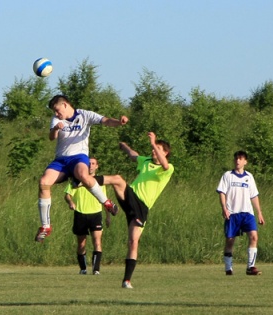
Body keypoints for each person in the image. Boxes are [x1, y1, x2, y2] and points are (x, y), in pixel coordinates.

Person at [35, 94, 128, 243]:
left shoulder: (85, 115)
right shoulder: (57, 119)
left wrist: (119, 122)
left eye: (58, 110)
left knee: (83, 174)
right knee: (43, 182)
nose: (56, 114)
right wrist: (55, 129)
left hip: (78, 157)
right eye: (54, 112)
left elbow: (106, 121)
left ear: (65, 104)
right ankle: (46, 226)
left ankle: (107, 203)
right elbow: (52, 137)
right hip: (61, 160)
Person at [102, 132, 174, 289]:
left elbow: (165, 165)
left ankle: (126, 280)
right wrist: (125, 147)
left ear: (165, 152)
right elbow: (134, 155)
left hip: (141, 207)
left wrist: (153, 143)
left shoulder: (167, 169)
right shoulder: (146, 161)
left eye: (158, 149)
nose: (153, 151)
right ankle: (85, 181)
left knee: (133, 242)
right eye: (154, 149)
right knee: (117, 180)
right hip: (131, 197)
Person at [216, 150, 265, 276]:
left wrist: (259, 212)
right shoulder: (228, 175)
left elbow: (254, 195)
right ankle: (228, 268)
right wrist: (224, 208)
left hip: (247, 213)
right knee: (230, 241)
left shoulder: (249, 177)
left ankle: (251, 267)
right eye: (236, 158)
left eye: (240, 158)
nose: (238, 161)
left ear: (245, 162)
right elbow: (222, 192)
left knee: (254, 236)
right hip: (232, 213)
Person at [64, 157, 110, 275]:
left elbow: (105, 200)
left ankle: (96, 269)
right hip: (81, 213)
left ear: (97, 166)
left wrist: (108, 216)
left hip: (96, 214)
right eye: (88, 163)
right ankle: (83, 268)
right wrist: (71, 202)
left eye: (93, 164)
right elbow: (68, 194)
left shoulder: (100, 181)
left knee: (97, 241)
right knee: (81, 243)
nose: (90, 166)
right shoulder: (77, 179)